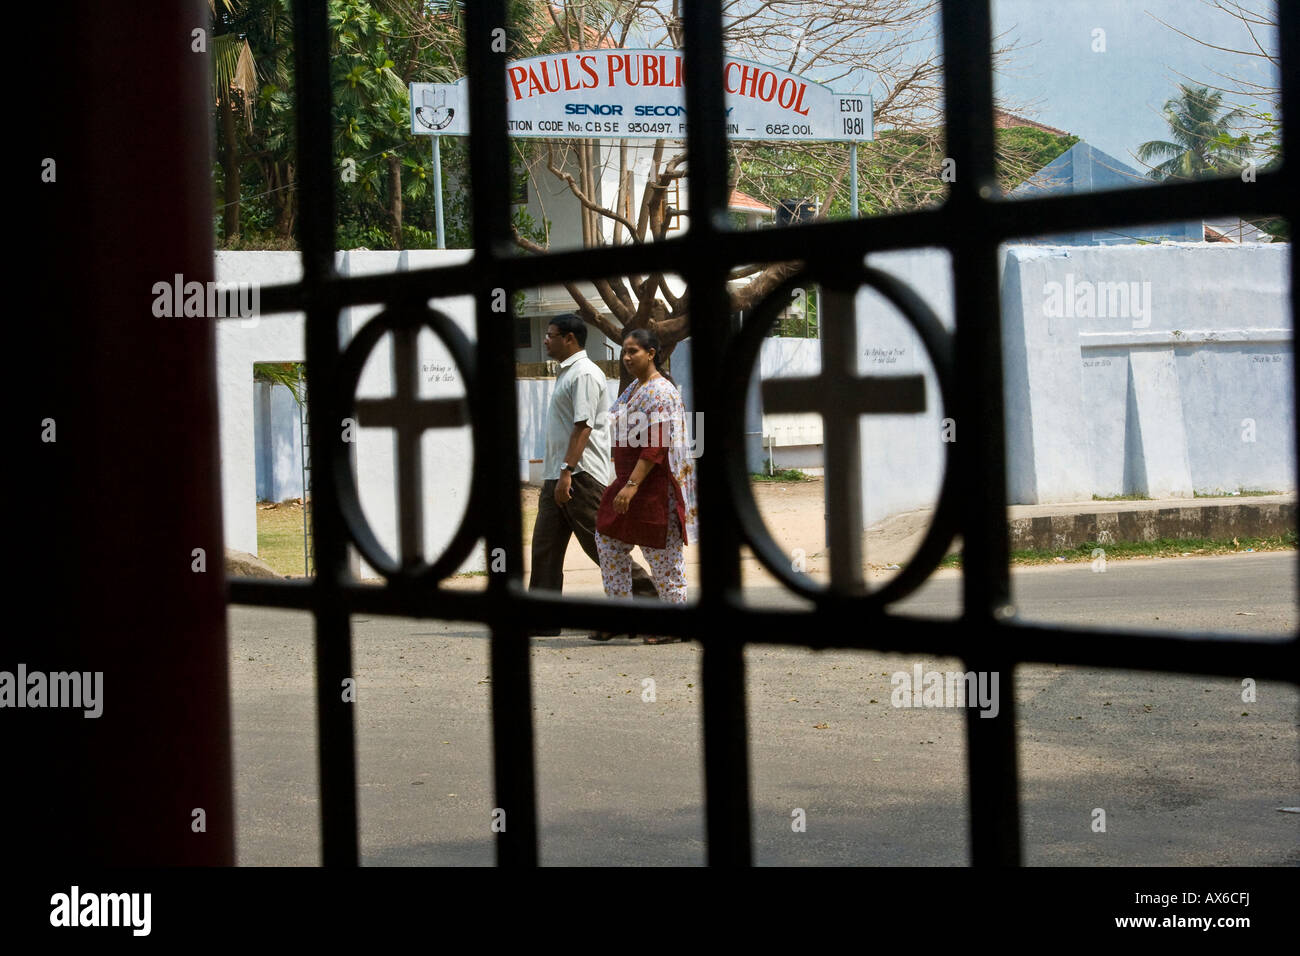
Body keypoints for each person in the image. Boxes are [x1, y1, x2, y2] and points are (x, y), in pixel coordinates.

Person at [529, 314, 658, 636]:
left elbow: (584, 426)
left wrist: (567, 472)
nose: (546, 340)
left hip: (580, 476)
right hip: (556, 474)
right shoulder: (568, 373)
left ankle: (656, 606)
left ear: (569, 338)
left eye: (551, 335)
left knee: (602, 547)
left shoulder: (585, 373)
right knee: (544, 548)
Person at [595, 328, 699, 644]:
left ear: (651, 353)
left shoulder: (661, 392)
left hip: (654, 488)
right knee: (608, 540)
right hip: (629, 483)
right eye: (624, 352)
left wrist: (631, 485)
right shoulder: (634, 389)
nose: (626, 358)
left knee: (663, 558)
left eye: (633, 352)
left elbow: (656, 444)